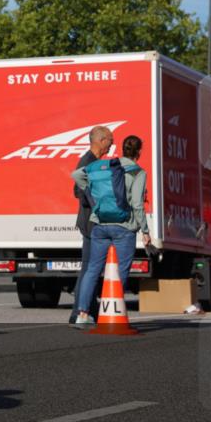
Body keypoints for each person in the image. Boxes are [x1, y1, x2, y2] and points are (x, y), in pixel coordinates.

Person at [71, 135, 151, 326]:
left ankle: (82, 314)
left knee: (92, 269)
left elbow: (76, 175)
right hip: (124, 228)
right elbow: (138, 205)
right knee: (120, 271)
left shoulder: (104, 166)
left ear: (122, 149)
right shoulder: (137, 172)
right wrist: (145, 231)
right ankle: (112, 312)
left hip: (100, 225)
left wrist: (91, 194)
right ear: (139, 152)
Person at [67, 126, 114, 324]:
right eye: (110, 141)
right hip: (91, 223)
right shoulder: (88, 163)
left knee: (91, 267)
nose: (111, 145)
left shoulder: (92, 162)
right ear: (100, 140)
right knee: (90, 268)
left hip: (91, 222)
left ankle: (87, 309)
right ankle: (80, 311)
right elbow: (80, 193)